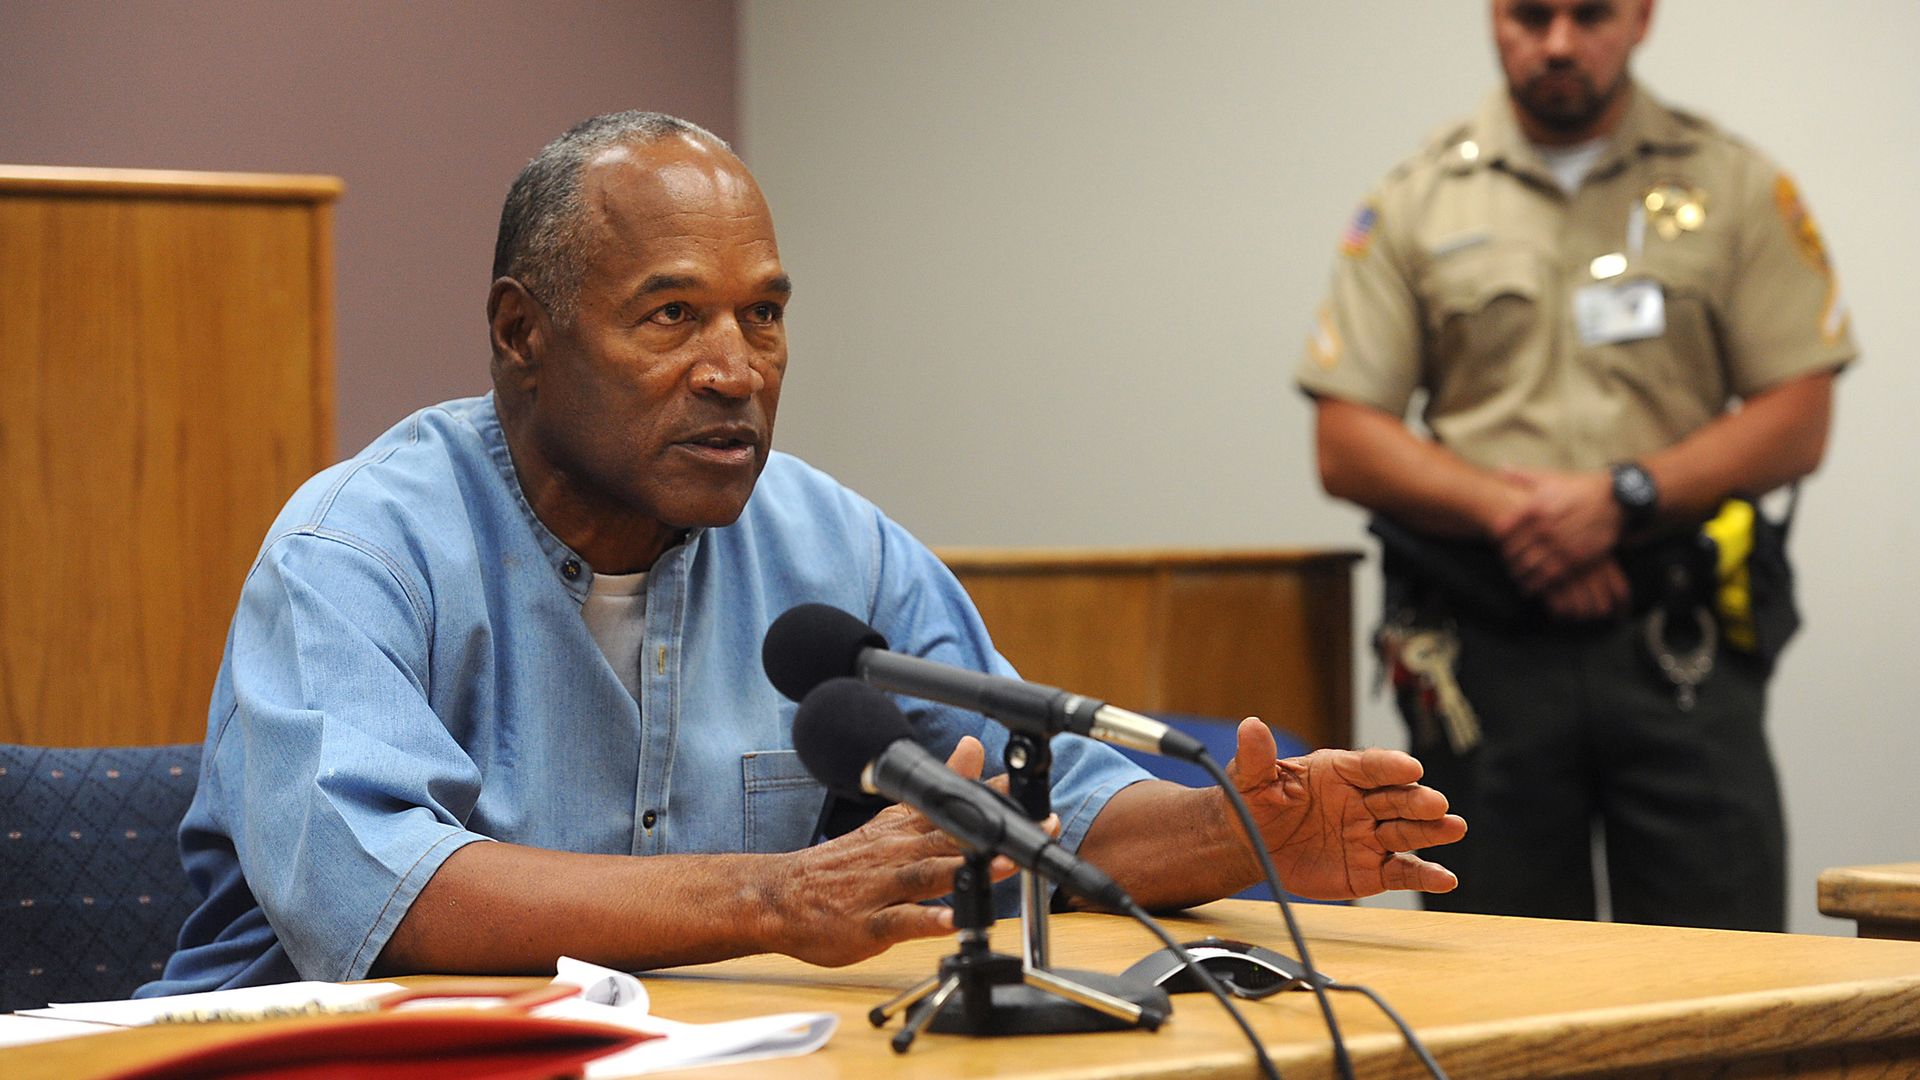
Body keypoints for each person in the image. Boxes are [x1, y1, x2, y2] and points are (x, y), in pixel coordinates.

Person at [144, 112, 1465, 995]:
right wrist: (775, 898)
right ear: (520, 332)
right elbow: (386, 898)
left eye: (764, 315)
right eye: (672, 316)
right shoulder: (357, 549)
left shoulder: (832, 545)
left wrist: (1238, 834)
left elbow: (1030, 800)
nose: (736, 372)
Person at [1298, 0, 1854, 932]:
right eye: (1530, 15)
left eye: (1590, 13)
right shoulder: (1418, 199)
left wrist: (1623, 499)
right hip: (1485, 656)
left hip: (1678, 648)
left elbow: (1798, 414)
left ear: (1640, 17)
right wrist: (1515, 515)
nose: (1558, 41)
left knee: (1720, 988)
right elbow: (1347, 435)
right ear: (1493, 18)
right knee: (1494, 991)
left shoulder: (1734, 184)